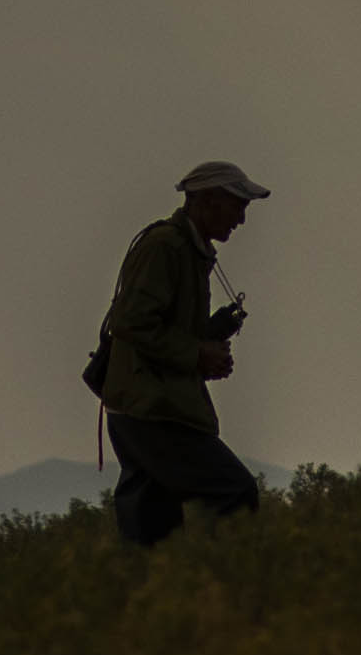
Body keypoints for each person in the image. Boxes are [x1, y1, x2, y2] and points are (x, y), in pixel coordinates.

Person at [90, 160, 269, 546]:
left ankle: (162, 602)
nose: (241, 219)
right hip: (151, 410)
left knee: (153, 541)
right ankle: (232, 593)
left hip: (140, 407)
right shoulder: (166, 246)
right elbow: (132, 324)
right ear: (206, 202)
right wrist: (198, 354)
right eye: (237, 206)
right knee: (235, 493)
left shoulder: (186, 249)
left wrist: (206, 340)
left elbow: (154, 329)